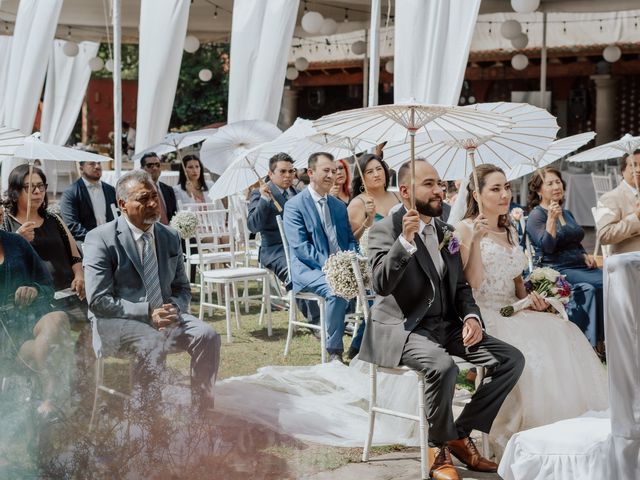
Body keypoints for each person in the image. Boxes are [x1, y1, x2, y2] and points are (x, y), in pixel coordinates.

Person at [358, 159, 524, 480]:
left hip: (445, 326)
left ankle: (459, 434)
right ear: (405, 191)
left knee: (509, 360)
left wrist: (472, 316)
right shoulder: (384, 231)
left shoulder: (446, 231)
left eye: (440, 184)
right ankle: (437, 449)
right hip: (403, 329)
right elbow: (380, 283)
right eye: (429, 184)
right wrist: (404, 243)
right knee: (442, 367)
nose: (440, 190)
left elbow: (461, 285)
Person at [454, 164, 608, 456]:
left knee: (563, 330)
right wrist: (474, 239)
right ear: (477, 193)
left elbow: (516, 283)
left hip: (514, 308)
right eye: (496, 189)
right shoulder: (464, 228)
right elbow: (471, 283)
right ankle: (526, 436)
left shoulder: (510, 227)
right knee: (532, 348)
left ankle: (568, 432)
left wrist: (534, 299)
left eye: (507, 187)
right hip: (483, 314)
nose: (504, 195)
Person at [83, 170, 221, 413]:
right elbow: (98, 300)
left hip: (166, 316)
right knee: (151, 338)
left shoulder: (170, 236)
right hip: (118, 323)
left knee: (207, 335)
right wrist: (148, 312)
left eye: (154, 197)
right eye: (144, 199)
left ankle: (203, 414)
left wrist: (173, 309)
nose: (153, 204)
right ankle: (149, 418)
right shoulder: (101, 239)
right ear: (123, 204)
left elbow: (182, 288)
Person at [283, 152, 358, 362]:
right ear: (310, 172)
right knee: (336, 290)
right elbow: (301, 249)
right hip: (309, 270)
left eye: (334, 171)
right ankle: (334, 352)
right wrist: (334, 267)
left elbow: (350, 240)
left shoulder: (338, 206)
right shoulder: (294, 205)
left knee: (377, 288)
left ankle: (361, 346)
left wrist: (354, 261)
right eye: (326, 170)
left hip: (342, 267)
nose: (331, 175)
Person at [0, 211, 73, 422]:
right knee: (38, 348)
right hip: (6, 333)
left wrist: (34, 289)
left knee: (58, 319)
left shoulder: (16, 242)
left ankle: (50, 401)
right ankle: (53, 399)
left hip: (31, 317)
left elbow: (46, 284)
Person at [526, 167, 604, 350]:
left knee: (610, 281)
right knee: (602, 283)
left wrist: (585, 254)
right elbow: (547, 247)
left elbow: (574, 239)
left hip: (580, 265)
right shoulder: (537, 215)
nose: (556, 187)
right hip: (558, 268)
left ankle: (607, 337)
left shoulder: (567, 212)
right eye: (550, 183)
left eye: (558, 182)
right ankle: (595, 342)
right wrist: (551, 220)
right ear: (539, 190)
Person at [4, 165, 86, 323]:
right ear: (14, 193)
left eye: (40, 186)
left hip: (69, 293)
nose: (37, 192)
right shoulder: (6, 225)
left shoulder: (54, 219)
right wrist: (17, 239)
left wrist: (79, 275)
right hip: (35, 300)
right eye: (29, 187)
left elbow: (74, 255)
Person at [247, 153, 320, 324]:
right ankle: (316, 321)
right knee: (296, 272)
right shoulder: (259, 194)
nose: (288, 176)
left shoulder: (297, 192)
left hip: (301, 246)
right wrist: (265, 200)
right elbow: (253, 226)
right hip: (275, 250)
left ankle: (339, 314)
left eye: (291, 171)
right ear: (271, 174)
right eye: (282, 172)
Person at [60, 160, 117, 242]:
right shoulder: (71, 192)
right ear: (81, 169)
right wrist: (96, 240)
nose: (97, 166)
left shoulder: (110, 189)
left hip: (111, 239)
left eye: (99, 163)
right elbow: (71, 224)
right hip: (85, 241)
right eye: (92, 164)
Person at [348, 154, 401, 241]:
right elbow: (350, 241)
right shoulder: (358, 203)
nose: (376, 174)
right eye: (370, 172)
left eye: (379, 169)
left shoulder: (399, 196)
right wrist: (368, 221)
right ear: (361, 179)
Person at [596, 149, 640, 254]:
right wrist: (636, 217)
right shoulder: (610, 198)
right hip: (630, 258)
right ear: (622, 170)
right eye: (633, 165)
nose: (638, 169)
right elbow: (604, 236)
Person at [140, 152, 177, 225]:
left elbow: (174, 214)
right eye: (150, 165)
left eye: (157, 165)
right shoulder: (139, 190)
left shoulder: (168, 189)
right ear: (142, 169)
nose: (155, 168)